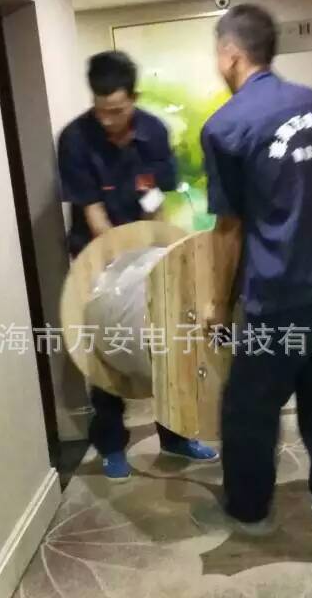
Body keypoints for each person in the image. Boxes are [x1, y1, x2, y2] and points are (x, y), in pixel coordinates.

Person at [196, 4, 312, 536]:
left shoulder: (225, 126)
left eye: (218, 55)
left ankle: (248, 509)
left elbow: (229, 228)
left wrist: (217, 304)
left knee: (249, 408)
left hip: (281, 296)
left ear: (231, 54)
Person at [58, 50, 217, 480]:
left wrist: (157, 259)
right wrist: (120, 270)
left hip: (145, 250)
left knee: (168, 344)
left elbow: (156, 200)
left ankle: (176, 436)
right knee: (105, 351)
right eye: (101, 110)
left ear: (134, 98)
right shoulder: (75, 139)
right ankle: (112, 446)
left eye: (117, 110)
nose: (108, 120)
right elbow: (93, 212)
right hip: (98, 255)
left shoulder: (154, 132)